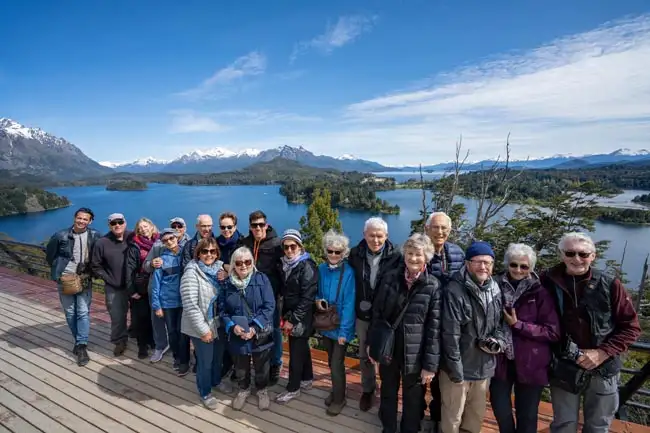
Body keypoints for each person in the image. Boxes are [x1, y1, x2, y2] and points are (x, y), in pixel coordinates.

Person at [542, 232, 641, 433]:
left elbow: (631, 326)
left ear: (593, 256)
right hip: (564, 364)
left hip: (603, 368)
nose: (576, 259)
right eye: (570, 253)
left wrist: (602, 352)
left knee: (598, 426)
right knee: (563, 425)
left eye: (583, 254)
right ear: (561, 255)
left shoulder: (610, 284)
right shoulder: (547, 280)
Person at [369, 233, 441, 433]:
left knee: (414, 397)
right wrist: (372, 345)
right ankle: (389, 428)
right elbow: (378, 314)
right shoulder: (391, 277)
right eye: (409, 253)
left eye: (418, 254)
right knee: (388, 391)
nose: (413, 258)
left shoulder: (433, 286)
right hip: (389, 347)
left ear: (426, 257)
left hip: (415, 353)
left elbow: (434, 329)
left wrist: (430, 365)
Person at [489, 243, 561, 433]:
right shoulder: (493, 285)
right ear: (507, 264)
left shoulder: (540, 292)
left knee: (527, 417)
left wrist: (518, 325)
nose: (518, 270)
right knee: (500, 409)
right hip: (500, 360)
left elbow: (552, 332)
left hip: (531, 363)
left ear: (531, 268)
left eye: (524, 266)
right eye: (514, 265)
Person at [440, 241, 505, 433]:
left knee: (475, 416)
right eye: (477, 262)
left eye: (488, 262)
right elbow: (449, 334)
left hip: (484, 367)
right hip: (458, 367)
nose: (483, 267)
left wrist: (499, 342)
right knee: (453, 417)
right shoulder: (455, 290)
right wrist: (455, 369)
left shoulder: (496, 289)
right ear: (467, 264)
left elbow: (500, 324)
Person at [347, 217, 401, 411]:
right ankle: (368, 389)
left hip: (386, 316)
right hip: (363, 315)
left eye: (379, 236)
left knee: (386, 354)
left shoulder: (397, 256)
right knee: (364, 355)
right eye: (371, 235)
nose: (375, 240)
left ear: (386, 236)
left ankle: (387, 391)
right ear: (364, 235)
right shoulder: (355, 254)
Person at [220, 246, 276, 411]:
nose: (243, 265)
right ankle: (243, 389)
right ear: (233, 265)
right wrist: (232, 326)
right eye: (239, 262)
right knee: (241, 366)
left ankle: (262, 390)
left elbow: (269, 306)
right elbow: (222, 310)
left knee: (262, 365)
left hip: (259, 332)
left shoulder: (262, 279)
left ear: (252, 262)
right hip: (238, 332)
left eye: (247, 261)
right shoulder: (227, 284)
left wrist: (254, 327)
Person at [422, 211, 465, 426]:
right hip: (422, 324)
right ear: (426, 228)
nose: (439, 232)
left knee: (442, 379)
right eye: (435, 227)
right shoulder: (418, 252)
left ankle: (437, 418)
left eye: (444, 228)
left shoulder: (457, 253)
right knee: (420, 374)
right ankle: (416, 416)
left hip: (449, 325)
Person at [181, 237, 233, 409]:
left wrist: (227, 272)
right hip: (201, 326)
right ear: (198, 253)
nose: (209, 254)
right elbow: (190, 305)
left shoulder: (219, 268)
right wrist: (203, 330)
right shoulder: (191, 272)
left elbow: (244, 270)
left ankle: (216, 381)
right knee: (205, 361)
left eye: (212, 251)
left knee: (218, 358)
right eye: (205, 251)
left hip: (217, 323)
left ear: (217, 253)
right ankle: (205, 391)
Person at [45, 207, 101, 366]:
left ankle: (81, 345)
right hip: (66, 279)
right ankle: (79, 342)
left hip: (84, 277)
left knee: (83, 311)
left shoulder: (94, 235)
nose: (82, 221)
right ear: (74, 218)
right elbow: (50, 255)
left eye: (86, 219)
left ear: (90, 221)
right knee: (70, 312)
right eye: (80, 218)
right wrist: (59, 272)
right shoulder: (60, 235)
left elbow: (100, 253)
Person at [241, 210, 284, 385]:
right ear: (250, 227)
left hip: (271, 297)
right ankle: (254, 363)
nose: (258, 228)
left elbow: (283, 272)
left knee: (273, 331)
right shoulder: (245, 243)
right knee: (251, 328)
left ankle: (275, 364)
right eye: (254, 225)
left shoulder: (277, 244)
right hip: (249, 297)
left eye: (261, 224)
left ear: (266, 225)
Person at [275, 229, 318, 404]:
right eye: (286, 247)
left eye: (293, 246)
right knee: (301, 348)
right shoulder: (284, 264)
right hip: (290, 314)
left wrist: (292, 321)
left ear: (300, 246)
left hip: (302, 317)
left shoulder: (307, 266)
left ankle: (293, 388)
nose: (289, 250)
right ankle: (307, 378)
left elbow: (308, 298)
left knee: (295, 352)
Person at [316, 230, 356, 416]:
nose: (333, 255)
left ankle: (340, 399)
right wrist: (318, 301)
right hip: (326, 324)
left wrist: (344, 332)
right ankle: (336, 391)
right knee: (332, 364)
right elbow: (317, 292)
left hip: (340, 327)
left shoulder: (348, 273)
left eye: (337, 252)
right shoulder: (322, 269)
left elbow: (349, 304)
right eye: (330, 251)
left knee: (337, 364)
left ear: (344, 253)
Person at [143, 217, 190, 363]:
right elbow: (155, 280)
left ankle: (185, 357)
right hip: (168, 301)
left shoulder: (187, 250)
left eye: (172, 238)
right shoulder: (161, 255)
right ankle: (174, 355)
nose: (169, 241)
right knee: (172, 330)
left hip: (184, 299)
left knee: (184, 331)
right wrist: (157, 305)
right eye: (166, 240)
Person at [90, 213, 133, 356]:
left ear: (125, 222)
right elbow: (95, 265)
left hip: (134, 285)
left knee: (140, 314)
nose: (117, 225)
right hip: (114, 287)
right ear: (109, 225)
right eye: (113, 223)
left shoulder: (133, 237)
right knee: (117, 315)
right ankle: (119, 340)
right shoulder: (102, 242)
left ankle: (138, 335)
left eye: (120, 222)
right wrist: (108, 278)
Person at [125, 218, 158, 359]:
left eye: (146, 226)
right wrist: (132, 291)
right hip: (141, 287)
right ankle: (142, 345)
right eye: (140, 228)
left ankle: (152, 340)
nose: (144, 229)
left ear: (151, 227)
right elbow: (129, 270)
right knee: (141, 317)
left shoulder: (159, 242)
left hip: (156, 285)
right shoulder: (135, 246)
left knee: (153, 316)